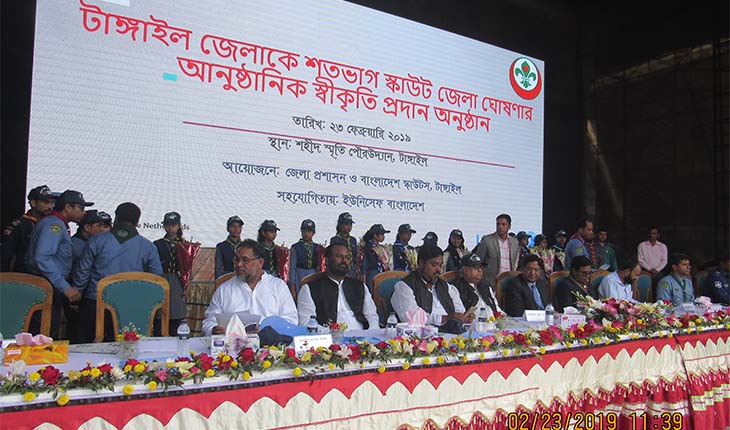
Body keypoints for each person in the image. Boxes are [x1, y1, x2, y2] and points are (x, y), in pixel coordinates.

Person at [73, 202, 162, 343]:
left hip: (97, 303)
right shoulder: (148, 246)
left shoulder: (96, 240)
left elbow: (83, 271)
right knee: (128, 348)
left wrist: (76, 295)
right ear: (137, 222)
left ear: (116, 218)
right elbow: (156, 277)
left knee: (87, 347)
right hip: (131, 305)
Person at [26, 190, 92, 338]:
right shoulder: (54, 225)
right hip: (46, 285)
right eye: (80, 208)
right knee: (45, 334)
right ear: (68, 207)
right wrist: (65, 287)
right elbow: (42, 257)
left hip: (50, 285)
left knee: (48, 331)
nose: (83, 212)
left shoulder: (58, 223)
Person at [202, 239, 297, 336]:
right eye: (237, 259)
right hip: (231, 343)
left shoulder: (278, 287)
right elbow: (209, 322)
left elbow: (291, 320)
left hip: (270, 343)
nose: (239, 264)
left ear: (260, 262)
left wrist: (266, 331)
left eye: (245, 260)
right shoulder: (224, 290)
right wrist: (213, 329)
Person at [297, 243, 379, 329]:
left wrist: (370, 333)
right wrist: (331, 334)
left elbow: (372, 315)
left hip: (362, 335)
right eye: (338, 256)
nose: (344, 260)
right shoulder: (310, 289)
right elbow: (306, 322)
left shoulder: (360, 286)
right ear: (326, 260)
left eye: (347, 257)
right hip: (328, 335)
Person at [391, 244, 468, 332]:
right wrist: (444, 318)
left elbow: (459, 310)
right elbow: (412, 318)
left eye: (440, 265)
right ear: (421, 264)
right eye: (434, 265)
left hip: (452, 333)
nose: (438, 269)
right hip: (422, 336)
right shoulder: (404, 286)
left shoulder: (444, 285)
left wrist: (463, 317)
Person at [2, 185, 59, 273]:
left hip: (45, 275)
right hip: (22, 275)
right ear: (33, 203)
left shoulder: (52, 225)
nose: (50, 206)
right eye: (46, 202)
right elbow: (5, 255)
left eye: (52, 203)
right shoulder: (19, 225)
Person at [153, 212, 187, 335]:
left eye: (173, 225)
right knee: (160, 313)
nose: (170, 228)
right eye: (167, 225)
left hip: (178, 281)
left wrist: (187, 284)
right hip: (161, 278)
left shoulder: (185, 244)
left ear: (179, 226)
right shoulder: (157, 244)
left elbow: (188, 268)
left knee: (177, 313)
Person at [473, 214, 519, 290]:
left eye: (503, 224)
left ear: (509, 226)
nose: (500, 227)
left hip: (509, 281)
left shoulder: (514, 242)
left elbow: (514, 263)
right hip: (490, 282)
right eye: (498, 224)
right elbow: (479, 261)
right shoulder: (487, 240)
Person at [289, 219, 322, 296]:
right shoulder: (296, 247)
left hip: (313, 274)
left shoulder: (317, 247)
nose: (306, 233)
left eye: (309, 231)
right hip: (300, 275)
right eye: (304, 231)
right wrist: (292, 286)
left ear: (313, 233)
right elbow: (292, 267)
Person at [361, 224, 390, 292]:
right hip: (372, 274)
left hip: (381, 273)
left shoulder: (381, 248)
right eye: (381, 234)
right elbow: (365, 263)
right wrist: (364, 276)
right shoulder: (368, 247)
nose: (383, 236)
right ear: (375, 235)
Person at [330, 212, 358, 279]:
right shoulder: (335, 240)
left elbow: (355, 255)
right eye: (346, 224)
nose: (349, 227)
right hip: (340, 270)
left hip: (353, 270)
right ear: (340, 225)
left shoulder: (353, 240)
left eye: (350, 224)